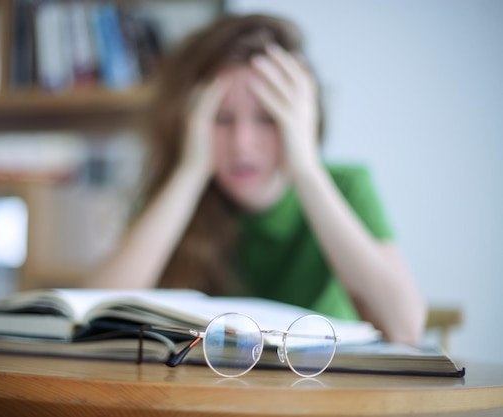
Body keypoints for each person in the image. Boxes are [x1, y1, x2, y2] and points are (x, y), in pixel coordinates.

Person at [84, 13, 427, 345]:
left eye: (267, 117)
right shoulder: (175, 201)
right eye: (221, 118)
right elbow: (93, 316)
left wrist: (305, 167)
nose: (242, 143)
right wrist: (190, 172)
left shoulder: (347, 186)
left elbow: (404, 328)